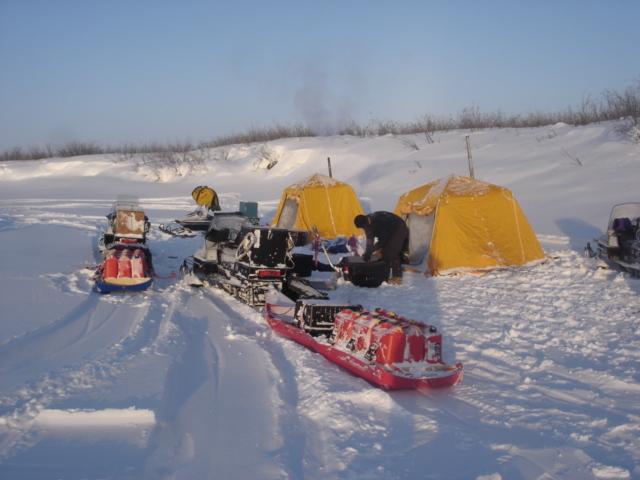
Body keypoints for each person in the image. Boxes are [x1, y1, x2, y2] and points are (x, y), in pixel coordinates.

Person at [354, 211, 408, 285]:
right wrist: (368, 251)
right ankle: (384, 272)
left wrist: (371, 250)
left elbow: (382, 241)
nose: (363, 229)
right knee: (384, 252)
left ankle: (397, 277)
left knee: (392, 252)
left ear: (365, 223)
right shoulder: (367, 221)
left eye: (363, 227)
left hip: (399, 228)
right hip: (388, 229)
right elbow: (370, 238)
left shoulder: (377, 223)